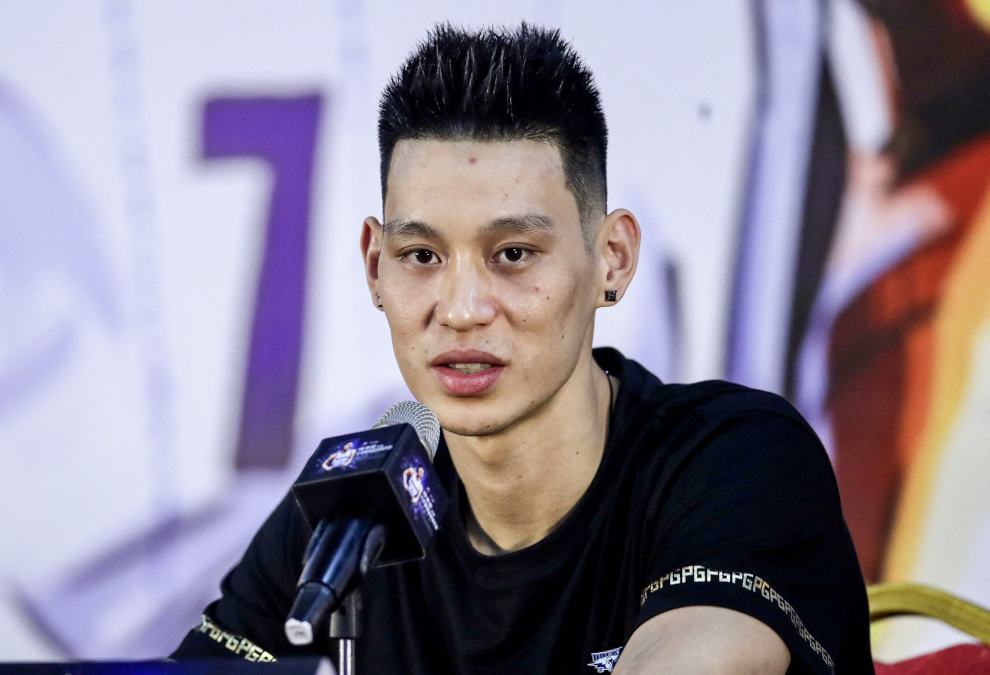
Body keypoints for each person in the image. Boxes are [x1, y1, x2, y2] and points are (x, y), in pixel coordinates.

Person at [171, 23, 873, 675]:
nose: (462, 309)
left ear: (613, 258)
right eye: (421, 256)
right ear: (375, 268)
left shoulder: (736, 456)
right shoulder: (353, 511)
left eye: (512, 253)